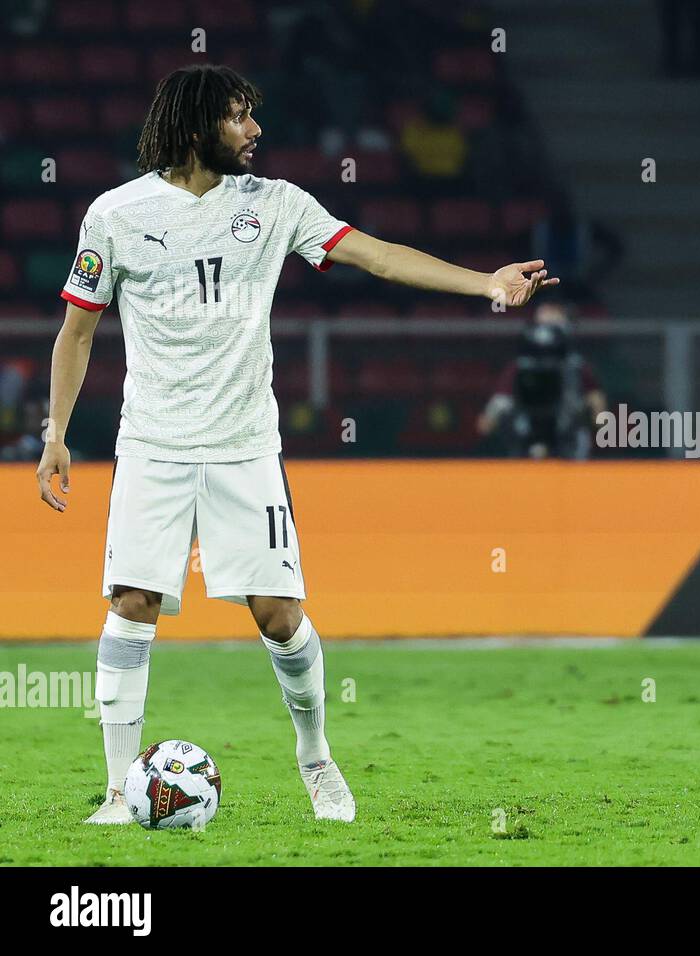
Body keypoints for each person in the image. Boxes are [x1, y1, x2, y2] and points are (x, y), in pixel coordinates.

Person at [36, 65, 558, 826]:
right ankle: (120, 792)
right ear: (195, 127)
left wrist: (485, 282)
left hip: (245, 444)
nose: (255, 131)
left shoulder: (275, 205)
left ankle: (316, 759)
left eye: (254, 116)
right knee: (132, 602)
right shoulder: (115, 215)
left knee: (278, 614)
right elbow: (75, 332)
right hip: (152, 443)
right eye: (240, 117)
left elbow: (376, 254)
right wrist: (55, 433)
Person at [477, 303, 606, 459]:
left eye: (554, 322)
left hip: (567, 430)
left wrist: (599, 414)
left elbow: (593, 393)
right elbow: (501, 398)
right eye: (543, 323)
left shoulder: (574, 365)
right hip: (528, 429)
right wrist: (491, 416)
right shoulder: (521, 366)